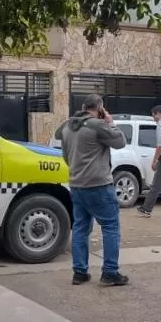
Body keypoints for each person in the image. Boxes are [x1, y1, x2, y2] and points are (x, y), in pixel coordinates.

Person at [61, 94, 129, 286]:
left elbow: (66, 157)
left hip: (76, 185)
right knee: (110, 227)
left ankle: (79, 272)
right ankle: (110, 272)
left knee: (81, 228)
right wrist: (110, 123)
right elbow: (120, 142)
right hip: (99, 185)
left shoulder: (68, 127)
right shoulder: (97, 126)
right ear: (99, 107)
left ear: (83, 106)